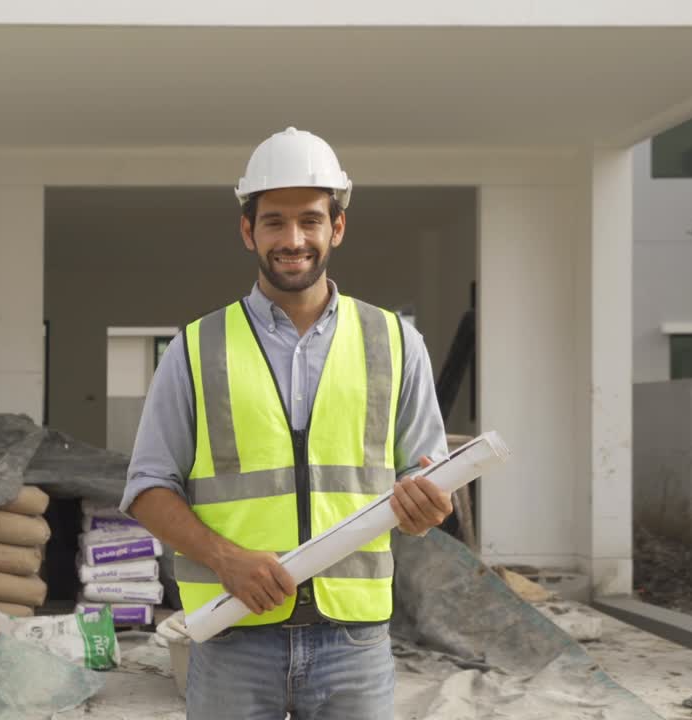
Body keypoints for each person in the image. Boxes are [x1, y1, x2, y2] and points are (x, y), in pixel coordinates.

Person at [121, 127, 452, 719]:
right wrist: (226, 560)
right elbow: (147, 490)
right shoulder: (196, 349)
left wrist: (427, 507)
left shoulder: (395, 342)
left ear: (337, 228)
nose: (292, 238)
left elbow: (424, 476)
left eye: (310, 220)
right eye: (274, 221)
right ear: (248, 231)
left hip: (354, 640)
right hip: (232, 634)